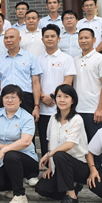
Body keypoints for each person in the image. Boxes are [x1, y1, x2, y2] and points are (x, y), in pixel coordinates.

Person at [0, 85, 39, 203]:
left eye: (13, 97)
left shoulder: (27, 117)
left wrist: (5, 150)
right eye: (6, 97)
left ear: (20, 100)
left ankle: (20, 195)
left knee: (11, 156)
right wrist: (2, 147)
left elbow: (26, 141)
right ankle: (13, 186)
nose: (10, 100)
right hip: (2, 158)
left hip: (25, 159)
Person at [35, 85, 89, 203]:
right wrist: (51, 166)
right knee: (42, 189)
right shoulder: (53, 118)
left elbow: (69, 145)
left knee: (59, 155)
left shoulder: (77, 120)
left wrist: (49, 154)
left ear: (73, 100)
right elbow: (50, 142)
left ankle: (71, 196)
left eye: (66, 97)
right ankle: (72, 187)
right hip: (59, 165)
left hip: (78, 166)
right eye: (59, 96)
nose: (62, 100)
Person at [37, 25, 76, 157]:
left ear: (58, 39)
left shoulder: (66, 58)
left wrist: (52, 96)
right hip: (43, 108)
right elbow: (35, 81)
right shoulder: (38, 59)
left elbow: (68, 81)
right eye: (46, 36)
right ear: (42, 39)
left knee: (61, 141)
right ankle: (46, 166)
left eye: (53, 36)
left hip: (61, 108)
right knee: (44, 141)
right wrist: (42, 96)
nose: (49, 39)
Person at [0, 28, 42, 124]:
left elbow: (35, 83)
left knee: (26, 127)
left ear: (19, 39)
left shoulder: (31, 57)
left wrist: (36, 106)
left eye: (12, 37)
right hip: (6, 98)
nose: (8, 40)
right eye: (6, 38)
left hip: (25, 97)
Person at [73, 28, 102, 141]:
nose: (83, 41)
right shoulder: (75, 60)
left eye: (86, 38)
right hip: (77, 110)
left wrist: (100, 108)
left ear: (94, 40)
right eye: (81, 38)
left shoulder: (101, 59)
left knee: (96, 145)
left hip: (94, 111)